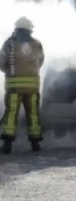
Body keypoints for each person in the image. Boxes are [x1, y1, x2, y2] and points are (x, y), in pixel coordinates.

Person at [0, 16, 45, 154]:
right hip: (32, 87)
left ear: (17, 28)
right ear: (30, 30)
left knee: (11, 114)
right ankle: (35, 144)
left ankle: (7, 145)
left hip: (14, 87)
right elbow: (41, 60)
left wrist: (8, 71)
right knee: (33, 114)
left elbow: (1, 62)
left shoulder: (10, 43)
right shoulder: (37, 44)